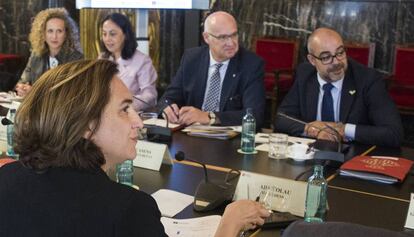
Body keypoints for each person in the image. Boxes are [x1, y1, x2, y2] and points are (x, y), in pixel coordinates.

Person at [0, 59, 269, 236]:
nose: (138, 121)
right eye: (124, 109)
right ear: (84, 125)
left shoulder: (5, 180)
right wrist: (229, 225)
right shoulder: (128, 210)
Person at [275, 27, 403, 147]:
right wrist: (311, 129)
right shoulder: (305, 75)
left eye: (340, 52)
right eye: (326, 57)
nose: (336, 62)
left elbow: (394, 133)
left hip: (352, 154)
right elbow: (282, 118)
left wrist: (343, 129)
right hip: (312, 154)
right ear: (312, 60)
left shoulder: (367, 79)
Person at [160, 11, 266, 129]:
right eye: (223, 37)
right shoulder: (192, 58)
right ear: (206, 37)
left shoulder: (251, 65)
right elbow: (167, 98)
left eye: (234, 35)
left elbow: (255, 116)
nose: (231, 43)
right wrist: (167, 108)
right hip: (191, 134)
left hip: (228, 139)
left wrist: (209, 117)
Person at [16, 8, 83, 97]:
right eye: (50, 31)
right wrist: (22, 88)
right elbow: (23, 81)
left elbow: (72, 93)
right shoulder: (36, 55)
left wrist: (34, 92)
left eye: (59, 31)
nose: (54, 36)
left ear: (66, 33)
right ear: (43, 33)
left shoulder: (76, 58)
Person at [100, 13, 157, 111]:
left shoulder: (142, 60)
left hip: (129, 115)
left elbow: (150, 96)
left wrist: (125, 106)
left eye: (112, 34)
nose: (107, 39)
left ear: (125, 34)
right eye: (104, 34)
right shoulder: (102, 58)